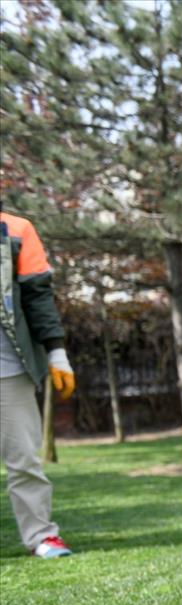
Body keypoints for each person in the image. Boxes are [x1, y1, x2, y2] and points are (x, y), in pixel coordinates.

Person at [1, 208, 75, 558]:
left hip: (8, 366)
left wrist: (56, 352)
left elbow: (38, 295)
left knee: (23, 459)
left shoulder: (15, 229)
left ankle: (42, 536)